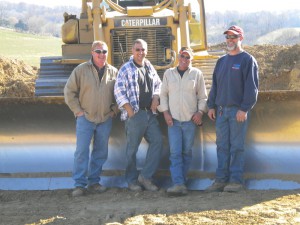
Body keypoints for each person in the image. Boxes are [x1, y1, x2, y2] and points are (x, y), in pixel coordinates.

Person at [206, 25, 259, 192]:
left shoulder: (247, 60)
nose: (230, 40)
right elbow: (215, 86)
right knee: (222, 146)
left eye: (234, 37)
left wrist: (244, 109)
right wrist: (211, 105)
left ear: (241, 39)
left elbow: (252, 88)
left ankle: (235, 181)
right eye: (228, 37)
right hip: (221, 111)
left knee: (236, 146)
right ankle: (221, 180)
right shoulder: (221, 61)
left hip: (237, 112)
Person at [64, 41, 118, 197]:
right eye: (98, 51)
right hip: (85, 119)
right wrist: (78, 111)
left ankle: (94, 182)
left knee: (100, 152)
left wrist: (113, 111)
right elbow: (69, 92)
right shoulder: (80, 70)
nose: (102, 54)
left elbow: (120, 95)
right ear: (92, 52)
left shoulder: (114, 72)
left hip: (105, 120)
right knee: (81, 152)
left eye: (104, 51)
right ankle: (79, 185)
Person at [114, 39, 163, 192]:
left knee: (158, 141)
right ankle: (131, 180)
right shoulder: (126, 69)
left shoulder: (148, 66)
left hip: (150, 113)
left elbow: (158, 84)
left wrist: (156, 96)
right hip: (135, 115)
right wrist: (129, 110)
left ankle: (146, 176)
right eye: (137, 50)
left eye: (143, 50)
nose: (140, 52)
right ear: (132, 51)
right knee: (132, 149)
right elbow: (118, 90)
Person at [158, 47, 208, 196]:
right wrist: (165, 113)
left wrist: (200, 112)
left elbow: (203, 97)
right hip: (173, 121)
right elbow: (163, 95)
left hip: (189, 121)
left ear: (191, 59)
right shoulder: (168, 73)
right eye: (182, 56)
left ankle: (182, 182)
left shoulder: (196, 74)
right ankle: (178, 183)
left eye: (188, 57)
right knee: (175, 153)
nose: (184, 59)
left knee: (186, 152)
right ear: (178, 57)